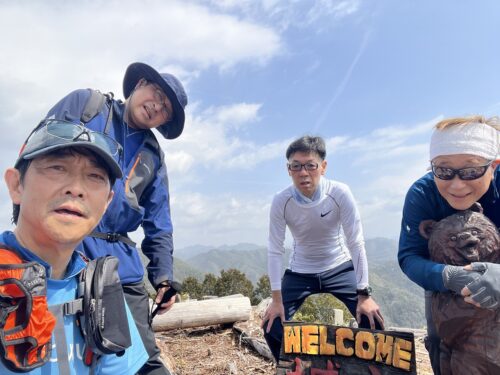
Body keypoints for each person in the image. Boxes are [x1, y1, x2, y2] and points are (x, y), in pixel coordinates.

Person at [45, 62, 188, 374]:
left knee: (142, 360)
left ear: (165, 121)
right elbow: (39, 154)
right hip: (65, 250)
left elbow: (159, 221)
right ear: (139, 84)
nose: (156, 104)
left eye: (165, 108)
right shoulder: (87, 106)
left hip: (122, 266)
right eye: (156, 92)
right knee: (56, 352)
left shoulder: (153, 155)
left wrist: (163, 276)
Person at [0, 119, 148, 374]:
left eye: (95, 176)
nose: (77, 189)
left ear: (106, 204)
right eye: (57, 167)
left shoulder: (102, 289)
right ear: (16, 185)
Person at [262, 135, 385, 362]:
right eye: (296, 166)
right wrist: (276, 300)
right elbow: (275, 250)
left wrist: (364, 294)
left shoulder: (339, 193)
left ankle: (365, 369)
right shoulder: (282, 200)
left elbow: (356, 243)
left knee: (371, 319)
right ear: (288, 169)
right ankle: (293, 367)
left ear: (323, 167)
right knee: (272, 326)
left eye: (311, 165)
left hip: (338, 266)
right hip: (300, 270)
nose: (303, 172)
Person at [398, 115, 500, 374]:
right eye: (444, 170)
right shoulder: (422, 194)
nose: (457, 185)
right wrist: (446, 276)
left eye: (471, 170)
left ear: (494, 166)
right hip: (443, 288)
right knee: (441, 342)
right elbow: (410, 255)